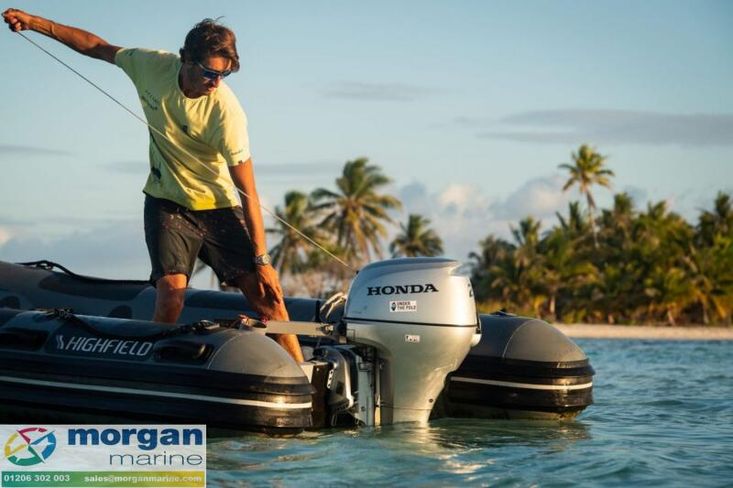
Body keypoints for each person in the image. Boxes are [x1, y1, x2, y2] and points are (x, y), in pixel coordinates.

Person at [3, 8, 304, 362]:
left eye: (224, 74)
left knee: (269, 300)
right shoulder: (151, 66)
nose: (215, 83)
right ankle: (152, 371)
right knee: (171, 298)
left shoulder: (226, 114)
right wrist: (35, 23)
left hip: (218, 207)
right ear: (185, 59)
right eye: (209, 72)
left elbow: (248, 192)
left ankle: (302, 374)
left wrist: (262, 259)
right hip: (167, 202)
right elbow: (96, 46)